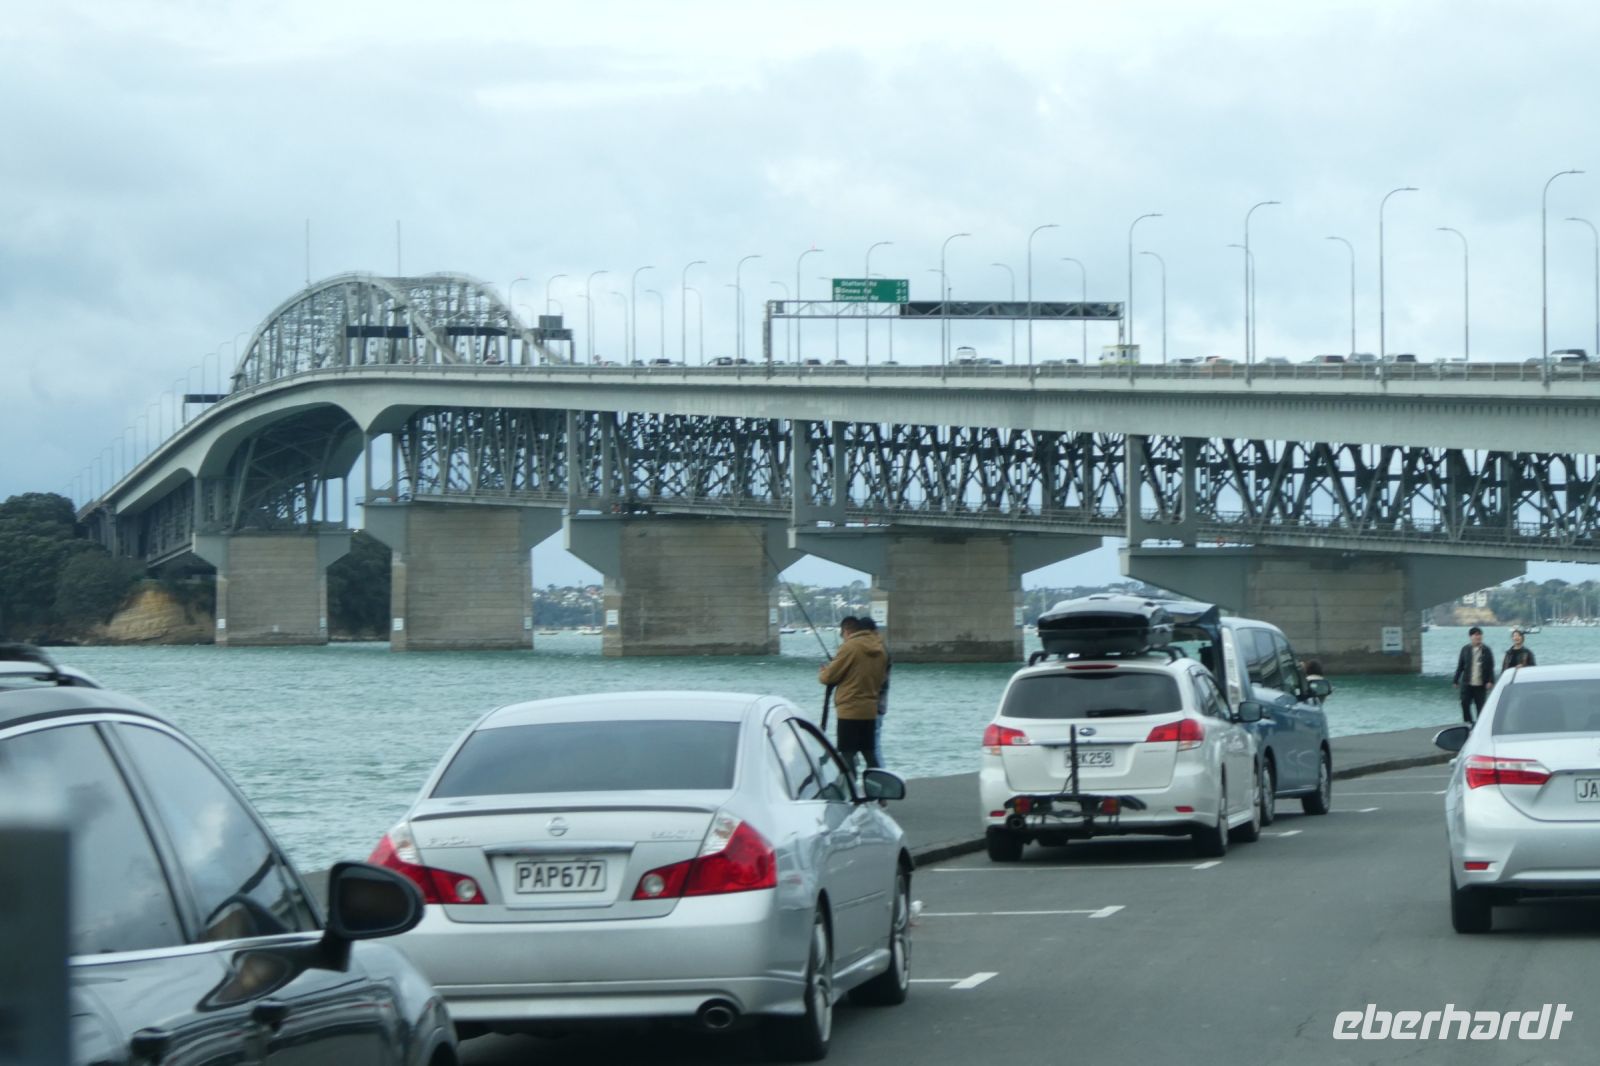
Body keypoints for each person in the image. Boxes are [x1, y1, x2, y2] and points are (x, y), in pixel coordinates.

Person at [817, 614, 888, 771]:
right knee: (869, 753)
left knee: (847, 753)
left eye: (842, 635)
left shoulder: (850, 647)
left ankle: (851, 789)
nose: (843, 639)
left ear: (846, 631)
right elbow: (880, 678)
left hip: (849, 710)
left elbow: (829, 677)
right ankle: (879, 787)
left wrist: (824, 672)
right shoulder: (880, 649)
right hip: (869, 709)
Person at [856, 615, 891, 766]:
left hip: (864, 706)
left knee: (867, 747)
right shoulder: (883, 649)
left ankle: (882, 779)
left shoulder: (863, 649)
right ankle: (880, 779)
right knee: (873, 746)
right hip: (879, 705)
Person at [1452, 626, 1496, 724]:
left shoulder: (1486, 650)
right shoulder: (1465, 649)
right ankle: (1468, 723)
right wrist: (1455, 680)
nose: (1478, 637)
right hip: (1467, 683)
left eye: (1480, 635)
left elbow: (1490, 667)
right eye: (1476, 635)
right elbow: (1460, 666)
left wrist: (1490, 680)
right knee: (1464, 703)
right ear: (1470, 636)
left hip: (1480, 684)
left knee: (1480, 706)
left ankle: (1480, 725)